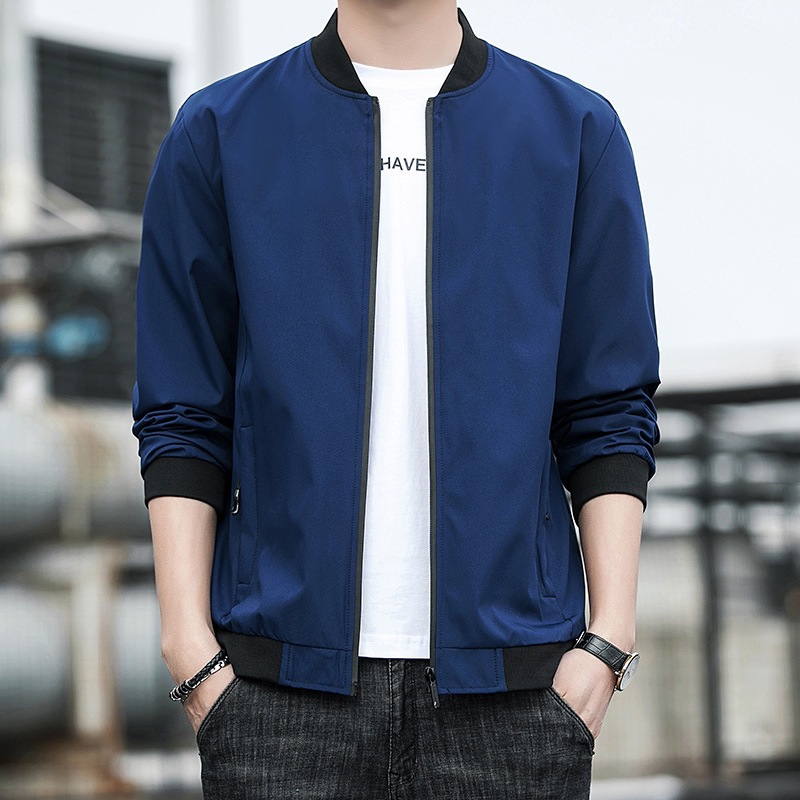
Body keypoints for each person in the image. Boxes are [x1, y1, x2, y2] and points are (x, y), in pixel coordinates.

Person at [131, 1, 660, 797]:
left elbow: (608, 406)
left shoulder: (575, 133)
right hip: (276, 695)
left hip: (516, 695)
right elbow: (182, 410)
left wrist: (608, 640)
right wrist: (188, 650)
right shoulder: (221, 131)